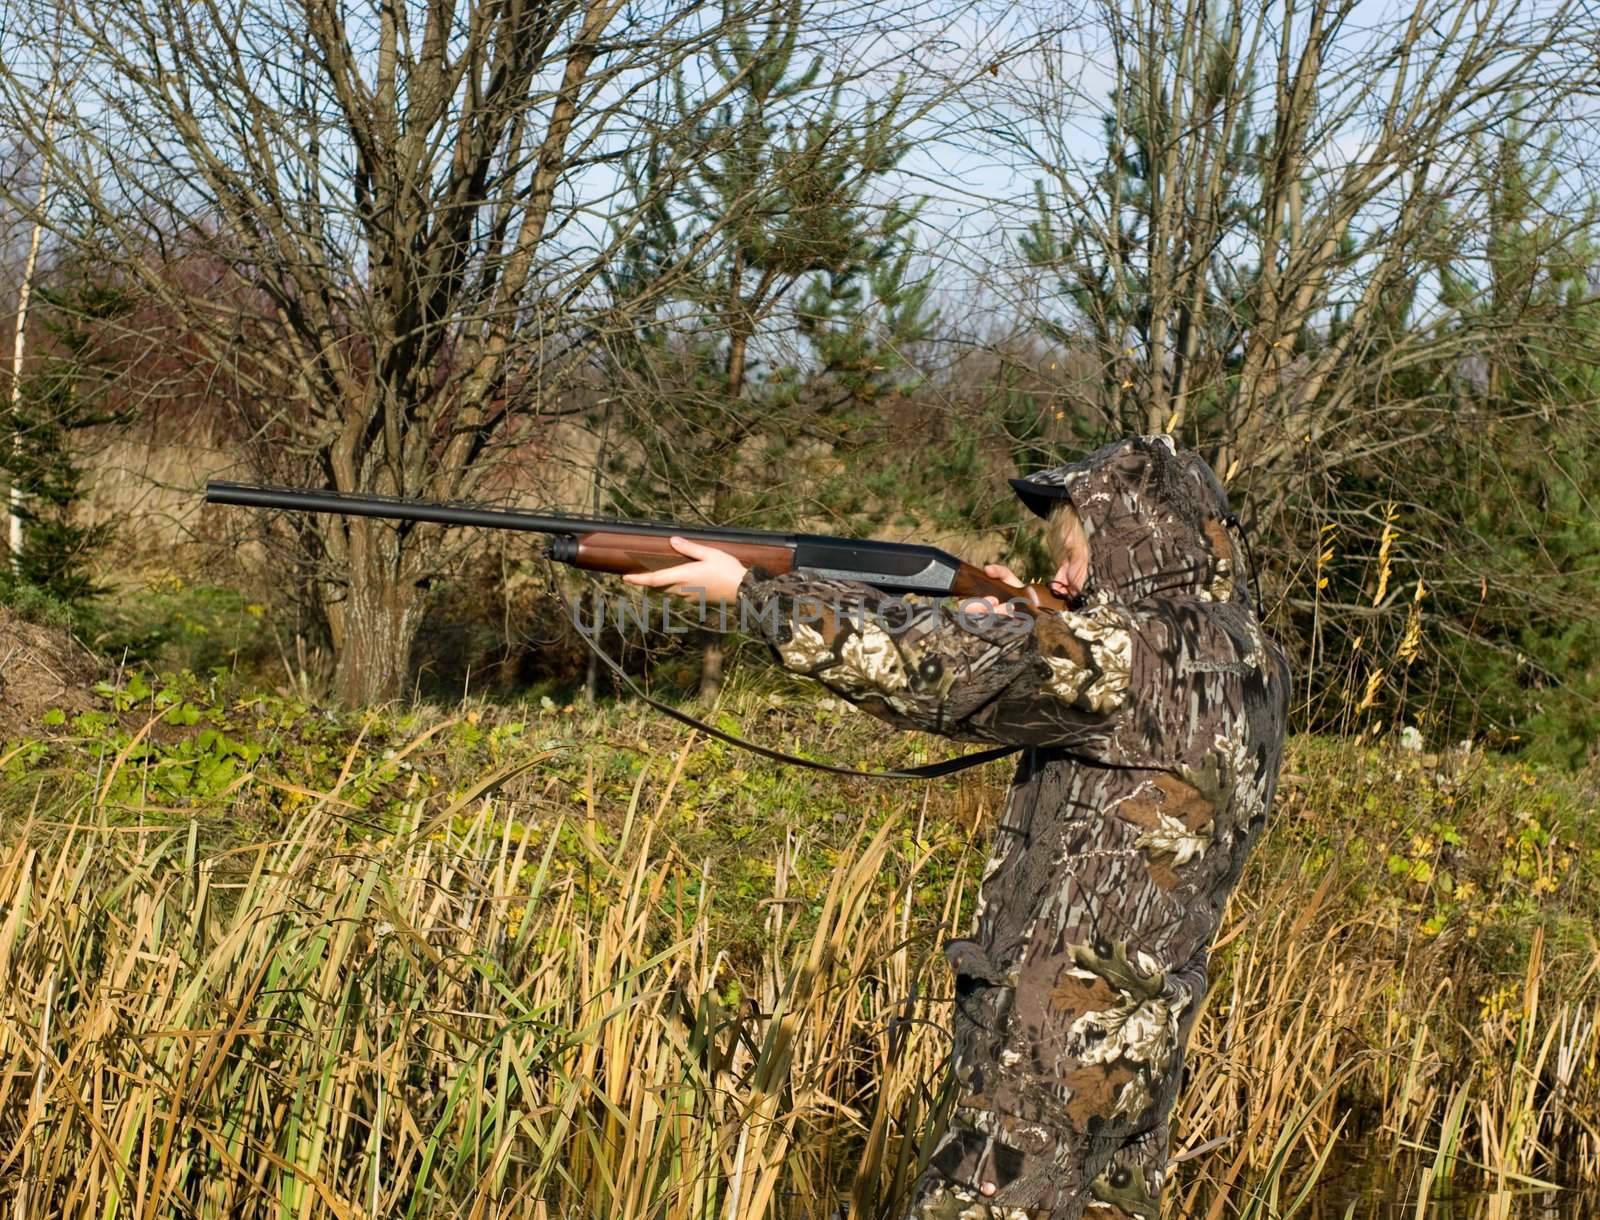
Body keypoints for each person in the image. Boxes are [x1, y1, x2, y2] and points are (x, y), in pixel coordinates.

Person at [624, 434, 1291, 1220]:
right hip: (1132, 1054)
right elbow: (1101, 719)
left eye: (1081, 556)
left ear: (1136, 548)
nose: (1064, 576)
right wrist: (1015, 620)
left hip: (1043, 1063)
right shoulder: (1249, 653)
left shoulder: (1132, 651)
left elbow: (924, 670)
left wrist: (752, 592)